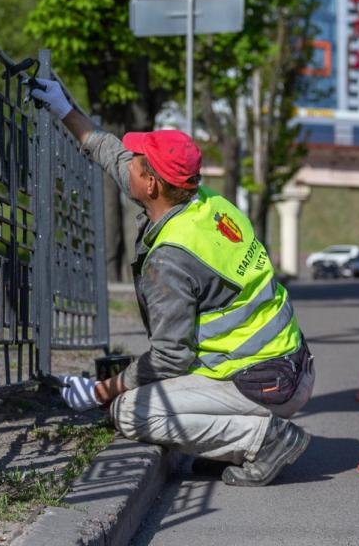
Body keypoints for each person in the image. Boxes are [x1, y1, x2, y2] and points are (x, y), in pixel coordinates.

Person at [30, 78, 315, 487]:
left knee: (131, 411)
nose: (127, 161)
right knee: (152, 394)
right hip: (289, 367)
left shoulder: (171, 258)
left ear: (151, 185)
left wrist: (100, 392)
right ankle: (239, 438)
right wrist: (63, 109)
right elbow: (111, 153)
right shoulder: (205, 204)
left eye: (137, 161)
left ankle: (264, 439)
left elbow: (167, 360)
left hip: (263, 383)